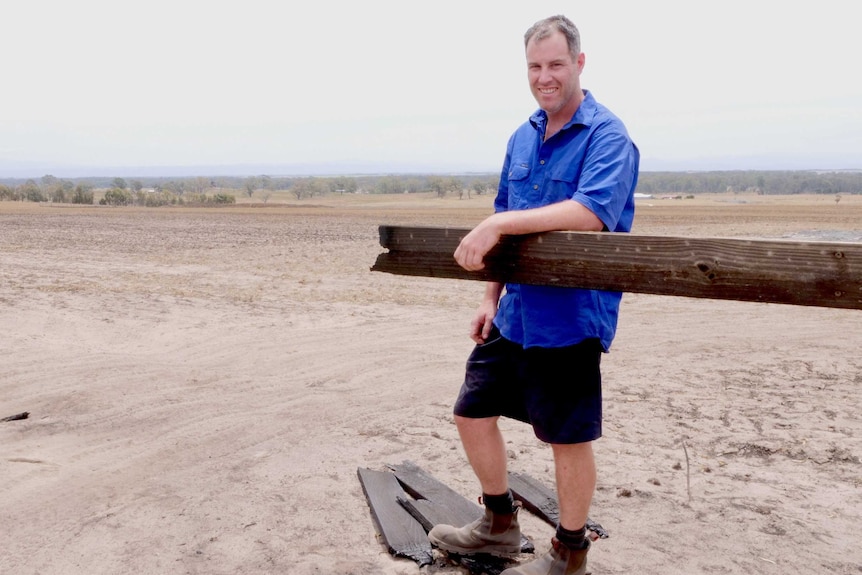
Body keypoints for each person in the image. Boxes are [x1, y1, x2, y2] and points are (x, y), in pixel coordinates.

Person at [426, 14, 639, 575]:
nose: (545, 77)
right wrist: (489, 298)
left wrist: (500, 226)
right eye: (535, 67)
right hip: (515, 310)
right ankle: (498, 525)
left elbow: (592, 212)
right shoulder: (522, 137)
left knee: (565, 438)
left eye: (556, 65)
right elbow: (505, 218)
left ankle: (570, 551)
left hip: (569, 315)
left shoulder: (608, 136)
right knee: (471, 413)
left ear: (580, 64)